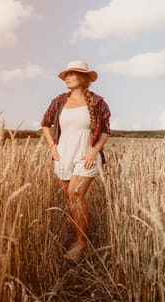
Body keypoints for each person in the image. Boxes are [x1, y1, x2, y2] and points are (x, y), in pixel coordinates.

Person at [41, 60, 111, 262]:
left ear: (83, 78)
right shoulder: (59, 101)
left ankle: (81, 244)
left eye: (72, 74)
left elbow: (105, 130)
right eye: (66, 75)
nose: (67, 77)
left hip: (86, 155)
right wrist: (53, 147)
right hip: (63, 154)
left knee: (76, 193)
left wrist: (94, 150)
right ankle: (77, 237)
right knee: (68, 198)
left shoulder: (97, 102)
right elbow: (45, 123)